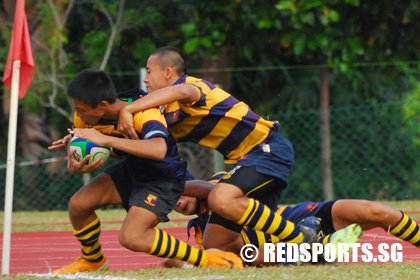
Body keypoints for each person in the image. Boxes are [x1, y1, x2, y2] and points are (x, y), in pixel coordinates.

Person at [117, 46, 317, 252]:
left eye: (149, 71)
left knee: (220, 198)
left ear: (168, 72)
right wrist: (105, 142)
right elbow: (147, 144)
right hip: (247, 161)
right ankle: (314, 251)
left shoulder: (188, 85)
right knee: (216, 243)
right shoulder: (166, 114)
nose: (145, 79)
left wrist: (129, 108)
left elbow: (181, 91)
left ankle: (300, 237)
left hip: (267, 149)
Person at [47, 69, 244, 274]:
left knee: (132, 237)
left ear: (102, 106)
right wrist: (74, 161)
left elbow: (158, 150)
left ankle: (208, 260)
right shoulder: (85, 119)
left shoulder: (143, 112)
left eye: (82, 110)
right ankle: (93, 262)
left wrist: (106, 140)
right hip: (133, 169)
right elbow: (102, 149)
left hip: (162, 179)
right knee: (78, 205)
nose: (79, 115)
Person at [164, 172, 420, 267]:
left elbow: (212, 188)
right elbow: (205, 260)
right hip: (271, 251)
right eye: (169, 199)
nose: (175, 200)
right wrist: (175, 262)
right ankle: (318, 251)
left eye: (179, 191)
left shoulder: (220, 184)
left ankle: (317, 248)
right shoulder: (199, 230)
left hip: (293, 217)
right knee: (245, 255)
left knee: (371, 210)